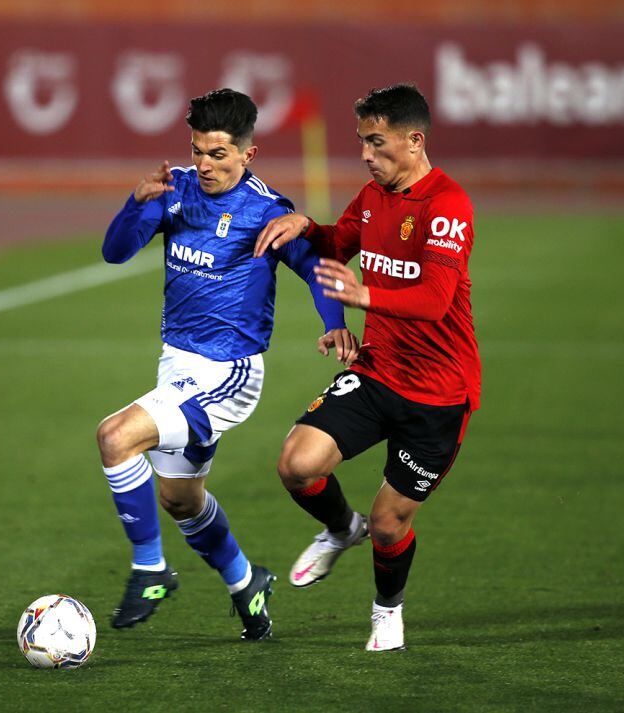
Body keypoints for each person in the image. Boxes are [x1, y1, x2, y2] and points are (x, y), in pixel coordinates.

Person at [98, 88, 359, 641]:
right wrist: (135, 203)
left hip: (228, 374)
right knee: (180, 500)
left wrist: (332, 321)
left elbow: (314, 267)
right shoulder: (178, 193)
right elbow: (116, 252)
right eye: (198, 151)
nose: (205, 165)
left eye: (218, 154)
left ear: (248, 154)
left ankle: (150, 570)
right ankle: (247, 583)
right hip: (177, 369)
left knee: (116, 437)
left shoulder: (266, 210)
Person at [253, 84, 481, 651]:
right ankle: (339, 529)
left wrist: (364, 299)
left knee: (389, 524)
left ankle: (387, 609)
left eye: (375, 143)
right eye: (361, 141)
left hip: (438, 394)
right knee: (296, 465)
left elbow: (434, 299)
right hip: (378, 372)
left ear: (413, 140)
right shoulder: (373, 195)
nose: (364, 154)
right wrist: (307, 226)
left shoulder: (446, 205)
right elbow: (337, 244)